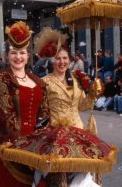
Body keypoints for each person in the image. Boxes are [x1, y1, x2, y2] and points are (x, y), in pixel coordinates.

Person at [0, 21, 50, 187]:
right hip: (9, 145)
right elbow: (8, 118)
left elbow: (45, 114)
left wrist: (44, 141)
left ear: (28, 55)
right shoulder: (1, 80)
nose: (18, 57)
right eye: (14, 53)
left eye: (22, 52)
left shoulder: (38, 81)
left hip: (35, 145)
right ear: (7, 55)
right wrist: (26, 151)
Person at [34, 27, 104, 185]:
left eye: (65, 58)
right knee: (60, 177)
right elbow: (40, 110)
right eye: (58, 58)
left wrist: (93, 93)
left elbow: (83, 106)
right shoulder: (45, 82)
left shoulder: (76, 80)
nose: (62, 62)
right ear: (52, 61)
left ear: (70, 60)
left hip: (78, 134)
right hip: (56, 136)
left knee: (82, 174)